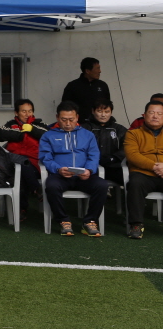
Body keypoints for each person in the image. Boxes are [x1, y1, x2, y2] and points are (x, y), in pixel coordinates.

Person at [39, 100, 108, 237]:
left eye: (71, 119)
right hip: (60, 175)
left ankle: (90, 221)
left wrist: (89, 170)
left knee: (102, 185)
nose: (68, 123)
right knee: (51, 186)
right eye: (64, 120)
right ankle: (63, 220)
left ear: (77, 117)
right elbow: (46, 158)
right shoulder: (48, 135)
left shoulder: (88, 135)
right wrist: (58, 169)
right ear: (57, 117)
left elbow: (94, 155)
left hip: (83, 175)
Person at [0, 98, 50, 219]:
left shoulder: (39, 124)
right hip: (13, 162)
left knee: (21, 171)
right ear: (16, 113)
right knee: (20, 165)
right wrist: (22, 133)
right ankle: (37, 189)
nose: (27, 114)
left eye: (30, 111)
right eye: (24, 111)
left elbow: (49, 134)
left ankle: (22, 210)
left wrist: (32, 129)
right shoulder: (11, 125)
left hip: (34, 164)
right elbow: (1, 133)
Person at [124, 100, 163, 239]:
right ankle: (136, 225)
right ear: (144, 115)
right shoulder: (133, 134)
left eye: (160, 113)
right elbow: (132, 156)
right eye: (151, 112)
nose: (155, 116)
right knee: (135, 184)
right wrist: (155, 166)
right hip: (143, 173)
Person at [82, 100, 126, 186]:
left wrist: (113, 158)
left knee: (131, 180)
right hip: (89, 167)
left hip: (114, 167)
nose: (103, 115)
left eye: (107, 112)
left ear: (111, 112)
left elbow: (127, 147)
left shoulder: (120, 129)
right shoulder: (84, 128)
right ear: (93, 111)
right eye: (99, 111)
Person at [61, 57, 110, 123]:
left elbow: (108, 105)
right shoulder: (72, 86)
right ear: (87, 71)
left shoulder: (103, 85)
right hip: (79, 125)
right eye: (97, 68)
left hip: (99, 125)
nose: (100, 71)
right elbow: (65, 107)